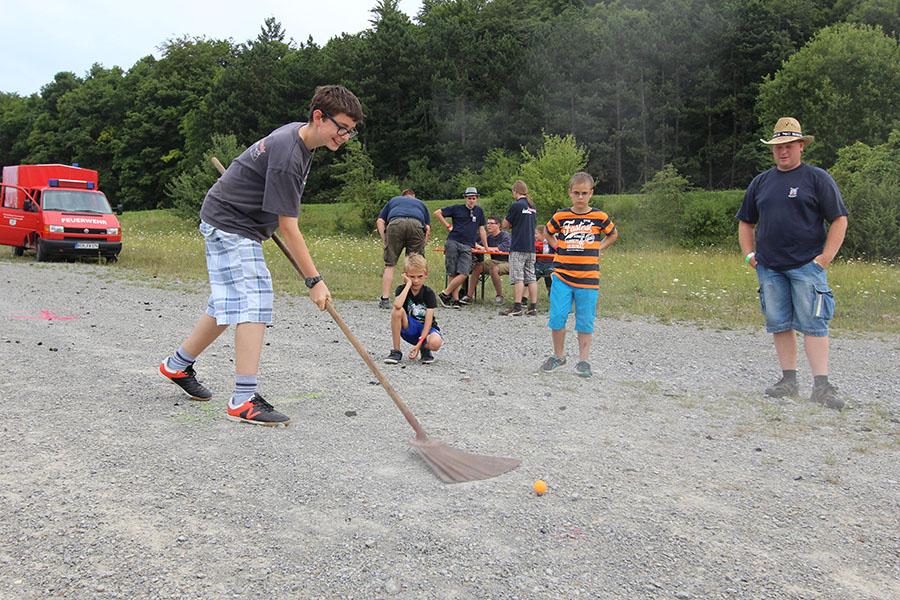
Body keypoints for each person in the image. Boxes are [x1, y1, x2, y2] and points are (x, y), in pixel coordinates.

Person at [157, 85, 364, 427]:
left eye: (350, 131)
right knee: (253, 299)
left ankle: (177, 364)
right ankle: (243, 399)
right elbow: (288, 226)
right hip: (230, 224)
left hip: (237, 222)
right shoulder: (288, 153)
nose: (344, 136)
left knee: (229, 303)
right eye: (341, 127)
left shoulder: (300, 143)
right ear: (318, 117)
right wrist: (314, 280)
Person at [736, 117, 848, 410]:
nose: (783, 151)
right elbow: (746, 222)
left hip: (806, 266)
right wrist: (749, 255)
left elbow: (839, 219)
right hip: (769, 267)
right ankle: (788, 380)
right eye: (777, 147)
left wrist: (824, 259)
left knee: (814, 324)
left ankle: (821, 385)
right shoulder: (761, 182)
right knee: (779, 323)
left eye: (788, 145)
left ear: (801, 146)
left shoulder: (817, 179)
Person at [540, 172, 618, 378]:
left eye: (584, 193)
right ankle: (558, 356)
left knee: (585, 320)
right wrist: (555, 244)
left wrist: (600, 247)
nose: (580, 197)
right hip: (562, 276)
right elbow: (547, 231)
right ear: (570, 193)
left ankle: (583, 361)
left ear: (591, 193)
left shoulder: (600, 217)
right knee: (557, 317)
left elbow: (613, 233)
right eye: (576, 193)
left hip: (588, 278)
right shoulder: (561, 216)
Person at [376, 188, 430, 309]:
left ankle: (385, 300)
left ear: (403, 196)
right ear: (413, 196)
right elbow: (427, 228)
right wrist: (422, 245)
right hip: (416, 225)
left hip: (395, 224)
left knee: (390, 265)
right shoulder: (421, 203)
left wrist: (385, 240)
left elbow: (380, 221)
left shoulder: (394, 200)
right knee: (416, 265)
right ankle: (414, 299)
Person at [434, 186, 488, 308]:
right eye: (469, 198)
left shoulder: (479, 211)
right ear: (465, 198)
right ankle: (455, 299)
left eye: (473, 198)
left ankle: (445, 294)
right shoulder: (457, 208)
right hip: (453, 241)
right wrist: (448, 226)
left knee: (464, 272)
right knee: (452, 271)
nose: (471, 200)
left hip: (467, 245)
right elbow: (437, 213)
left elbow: (482, 229)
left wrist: (486, 246)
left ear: (476, 198)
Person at [385, 253, 443, 365]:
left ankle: (424, 349)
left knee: (435, 343)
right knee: (397, 311)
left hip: (426, 330)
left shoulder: (429, 293)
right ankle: (396, 351)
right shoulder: (402, 289)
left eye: (420, 276)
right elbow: (397, 305)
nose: (416, 281)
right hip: (409, 328)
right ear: (406, 276)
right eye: (412, 277)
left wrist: (419, 343)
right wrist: (407, 285)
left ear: (426, 275)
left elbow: (428, 321)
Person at [500, 180, 538, 316]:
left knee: (518, 277)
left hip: (518, 246)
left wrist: (507, 217)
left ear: (515, 191)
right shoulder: (532, 206)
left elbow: (505, 225)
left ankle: (517, 307)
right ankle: (533, 307)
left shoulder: (516, 205)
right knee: (531, 277)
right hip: (530, 247)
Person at [465, 215, 511, 305]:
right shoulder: (489, 237)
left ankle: (499, 296)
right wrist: (476, 246)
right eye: (487, 223)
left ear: (498, 225)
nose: (488, 225)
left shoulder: (505, 235)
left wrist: (483, 248)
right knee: (477, 266)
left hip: (508, 262)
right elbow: (480, 246)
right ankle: (469, 296)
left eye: (491, 223)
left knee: (494, 269)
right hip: (493, 262)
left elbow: (502, 249)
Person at [534, 225, 554, 293]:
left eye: (536, 234)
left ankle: (551, 294)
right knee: (532, 279)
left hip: (549, 264)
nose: (535, 236)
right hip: (539, 264)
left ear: (543, 234)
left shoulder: (551, 242)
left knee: (549, 275)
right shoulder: (535, 244)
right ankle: (524, 297)